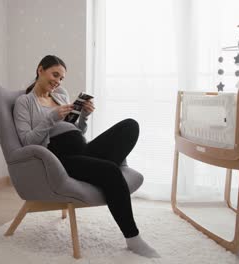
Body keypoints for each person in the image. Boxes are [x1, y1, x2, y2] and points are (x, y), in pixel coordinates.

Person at [13, 55, 159, 258]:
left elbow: (76, 131)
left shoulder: (60, 95)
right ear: (40, 70)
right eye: (55, 75)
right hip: (60, 159)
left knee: (130, 126)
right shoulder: (24, 102)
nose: (58, 81)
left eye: (61, 78)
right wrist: (51, 117)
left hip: (81, 150)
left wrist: (84, 117)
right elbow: (27, 142)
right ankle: (133, 238)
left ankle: (102, 173)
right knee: (111, 171)